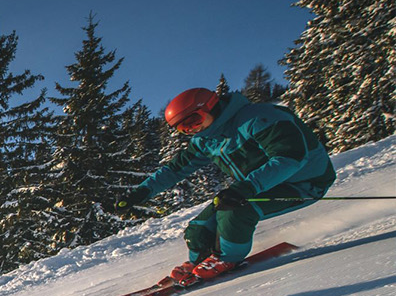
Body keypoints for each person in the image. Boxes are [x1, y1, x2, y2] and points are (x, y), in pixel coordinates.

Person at [122, 87, 335, 285]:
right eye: (183, 128)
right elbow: (175, 170)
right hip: (260, 185)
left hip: (304, 182)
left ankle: (226, 259)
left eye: (194, 121)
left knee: (236, 212)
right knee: (198, 229)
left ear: (210, 106)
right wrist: (139, 194)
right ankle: (200, 260)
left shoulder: (259, 117)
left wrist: (246, 188)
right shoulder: (206, 140)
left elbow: (290, 157)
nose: (192, 130)